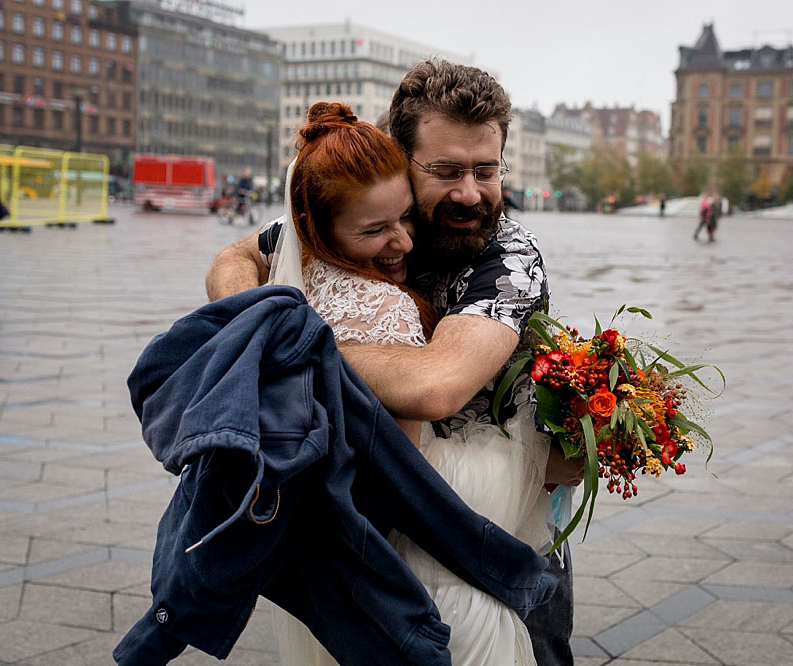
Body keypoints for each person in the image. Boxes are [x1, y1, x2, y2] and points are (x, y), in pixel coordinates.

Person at [206, 59, 584, 666]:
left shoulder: (508, 256)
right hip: (380, 530)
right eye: (445, 171)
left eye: (486, 170)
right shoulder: (357, 210)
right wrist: (255, 324)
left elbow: (437, 386)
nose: (469, 193)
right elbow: (234, 256)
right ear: (398, 159)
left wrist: (289, 348)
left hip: (502, 538)